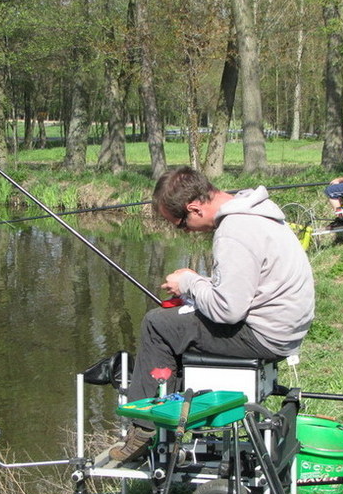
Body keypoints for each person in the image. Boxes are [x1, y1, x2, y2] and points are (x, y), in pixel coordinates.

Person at [109, 166, 315, 462]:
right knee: (178, 319)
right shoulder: (256, 212)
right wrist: (195, 285)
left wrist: (189, 283)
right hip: (286, 328)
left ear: (194, 208)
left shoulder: (233, 231)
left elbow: (227, 310)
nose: (185, 232)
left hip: (266, 335)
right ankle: (175, 416)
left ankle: (145, 429)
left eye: (181, 224)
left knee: (158, 324)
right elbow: (243, 288)